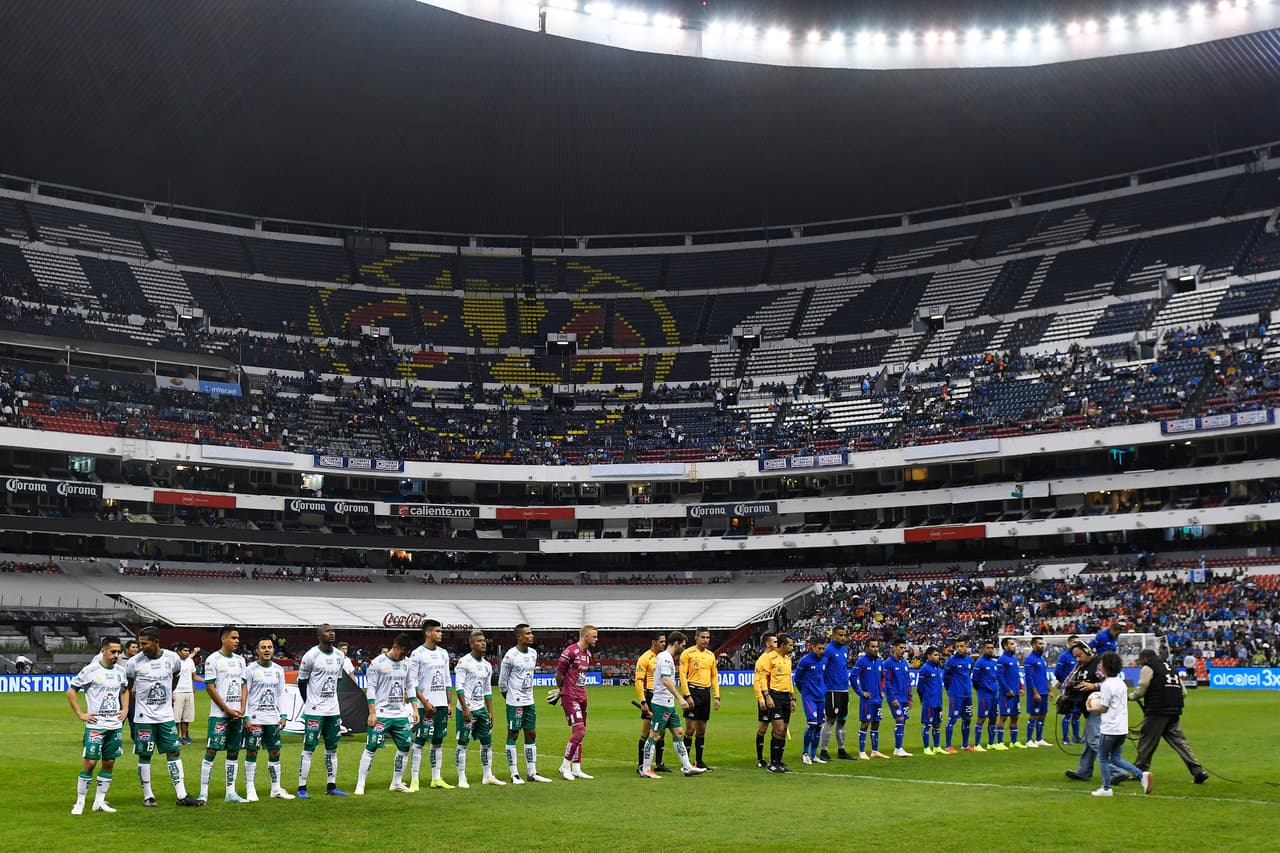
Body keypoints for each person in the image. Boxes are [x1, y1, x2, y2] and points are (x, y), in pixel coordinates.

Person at [124, 625, 201, 807]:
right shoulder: (134, 663)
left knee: (174, 751)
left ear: (156, 642)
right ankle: (148, 795)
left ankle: (182, 795)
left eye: (145, 643)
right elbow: (128, 687)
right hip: (144, 718)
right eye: (140, 643)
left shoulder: (172, 659)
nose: (141, 647)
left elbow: (173, 680)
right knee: (145, 755)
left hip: (166, 717)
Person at [66, 635, 128, 814]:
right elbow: (71, 692)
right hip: (96, 725)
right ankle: (80, 802)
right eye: (113, 651)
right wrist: (80, 714)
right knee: (91, 763)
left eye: (118, 652)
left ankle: (99, 802)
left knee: (109, 762)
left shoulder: (120, 671)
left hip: (114, 725)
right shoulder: (90, 670)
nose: (116, 655)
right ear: (103, 651)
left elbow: (125, 690)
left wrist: (125, 710)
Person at [1129, 649, 1208, 784]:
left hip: (1157, 710)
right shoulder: (1171, 668)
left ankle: (1139, 771)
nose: (1140, 664)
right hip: (1175, 710)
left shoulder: (1148, 667)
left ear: (1145, 659)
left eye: (1140, 661)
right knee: (1179, 742)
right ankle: (1197, 770)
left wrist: (1131, 696)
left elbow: (1142, 687)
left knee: (1147, 741)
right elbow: (1184, 692)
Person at [296, 623, 354, 798]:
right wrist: (309, 702)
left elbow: (337, 680)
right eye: (327, 631)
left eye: (333, 631)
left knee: (332, 748)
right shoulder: (310, 656)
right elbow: (301, 682)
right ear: (319, 636)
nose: (332, 634)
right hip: (314, 710)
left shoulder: (339, 656)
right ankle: (301, 788)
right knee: (309, 748)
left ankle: (331, 786)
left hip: (333, 710)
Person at [638, 631, 707, 778]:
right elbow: (666, 680)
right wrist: (680, 698)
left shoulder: (666, 657)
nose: (683, 648)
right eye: (682, 645)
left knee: (679, 733)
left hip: (668, 704)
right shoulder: (665, 658)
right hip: (662, 704)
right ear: (676, 643)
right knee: (654, 736)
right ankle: (645, 769)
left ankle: (687, 766)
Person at [355, 633, 417, 795]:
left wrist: (415, 709)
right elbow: (371, 689)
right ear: (395, 647)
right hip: (381, 714)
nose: (403, 656)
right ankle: (360, 784)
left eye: (406, 653)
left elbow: (410, 686)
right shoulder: (377, 663)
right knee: (371, 747)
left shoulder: (407, 663)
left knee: (405, 747)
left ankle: (396, 782)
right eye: (402, 652)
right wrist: (372, 713)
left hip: (400, 714)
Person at [1063, 643, 1126, 786]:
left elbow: (1111, 682)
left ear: (1088, 652)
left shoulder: (1098, 665)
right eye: (1075, 657)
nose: (1077, 659)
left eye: (1079, 655)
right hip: (1088, 707)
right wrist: (1064, 694)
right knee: (1089, 740)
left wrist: (1094, 686)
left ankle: (1117, 771)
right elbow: (1068, 681)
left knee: (1093, 739)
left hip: (1100, 706)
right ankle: (1084, 771)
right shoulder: (1079, 667)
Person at [198, 626, 248, 804]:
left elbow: (243, 685)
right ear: (224, 639)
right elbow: (210, 688)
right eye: (234, 637)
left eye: (238, 638)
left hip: (237, 714)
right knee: (212, 751)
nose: (237, 641)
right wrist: (227, 709)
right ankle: (203, 792)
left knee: (234, 751)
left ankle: (231, 792)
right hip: (220, 715)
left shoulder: (241, 660)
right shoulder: (213, 660)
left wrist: (242, 708)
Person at [1093, 651, 1152, 797]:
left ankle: (1106, 788)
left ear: (1105, 666)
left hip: (1110, 728)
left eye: (1101, 664)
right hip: (1122, 728)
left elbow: (1104, 707)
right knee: (1116, 758)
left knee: (1102, 757)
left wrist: (1091, 708)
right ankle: (1141, 775)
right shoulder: (1121, 683)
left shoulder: (1106, 685)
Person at [499, 623, 551, 784]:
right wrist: (511, 699)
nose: (531, 636)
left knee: (531, 734)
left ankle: (532, 772)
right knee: (513, 734)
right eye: (528, 634)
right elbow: (502, 682)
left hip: (530, 700)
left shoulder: (534, 653)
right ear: (519, 637)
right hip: (515, 702)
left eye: (531, 633)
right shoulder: (510, 656)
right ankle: (514, 773)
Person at [243, 636, 294, 800]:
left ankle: (276, 788)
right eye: (263, 647)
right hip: (256, 718)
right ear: (257, 651)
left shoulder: (279, 670)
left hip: (272, 718)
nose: (267, 650)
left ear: (273, 650)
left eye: (269, 647)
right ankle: (250, 788)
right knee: (252, 751)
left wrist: (283, 714)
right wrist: (246, 717)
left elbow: (281, 693)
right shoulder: (250, 669)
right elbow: (245, 694)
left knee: (275, 751)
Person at [454, 629, 504, 788]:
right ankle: (462, 777)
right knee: (462, 744)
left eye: (484, 641)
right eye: (479, 641)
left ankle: (488, 775)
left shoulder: (487, 665)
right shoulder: (464, 662)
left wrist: (490, 711)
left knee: (487, 743)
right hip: (466, 709)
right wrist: (465, 708)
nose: (483, 643)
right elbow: (459, 687)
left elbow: (488, 690)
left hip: (481, 709)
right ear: (471, 644)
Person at [408, 619, 453, 790]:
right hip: (424, 706)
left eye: (441, 631)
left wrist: (449, 702)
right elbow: (412, 682)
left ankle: (436, 778)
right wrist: (424, 701)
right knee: (419, 741)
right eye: (438, 631)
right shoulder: (417, 654)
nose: (441, 634)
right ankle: (414, 780)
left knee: (438, 741)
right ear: (428, 633)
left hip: (441, 704)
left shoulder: (443, 653)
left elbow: (447, 679)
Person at [552, 624, 598, 781]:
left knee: (580, 733)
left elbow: (579, 677)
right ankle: (564, 766)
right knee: (579, 731)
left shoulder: (587, 654)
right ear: (586, 636)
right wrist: (561, 691)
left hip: (582, 695)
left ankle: (576, 767)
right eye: (594, 636)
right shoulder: (570, 652)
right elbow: (559, 674)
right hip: (570, 696)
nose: (596, 639)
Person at [679, 627, 720, 770]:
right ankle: (686, 763)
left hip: (705, 693)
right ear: (696, 638)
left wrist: (717, 696)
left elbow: (714, 676)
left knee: (701, 729)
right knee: (690, 729)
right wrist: (687, 695)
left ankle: (699, 761)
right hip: (693, 691)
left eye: (707, 637)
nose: (705, 640)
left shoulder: (711, 655)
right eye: (703, 637)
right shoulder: (687, 653)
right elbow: (683, 675)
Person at [755, 634, 796, 773]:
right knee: (778, 728)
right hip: (774, 695)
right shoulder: (769, 658)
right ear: (783, 645)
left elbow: (789, 680)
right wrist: (766, 696)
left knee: (783, 730)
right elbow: (761, 678)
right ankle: (772, 764)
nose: (792, 647)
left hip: (785, 697)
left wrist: (792, 698)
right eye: (790, 645)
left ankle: (778, 762)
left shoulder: (788, 660)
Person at [633, 632, 669, 773]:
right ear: (654, 642)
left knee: (662, 731)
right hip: (650, 696)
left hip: (662, 697)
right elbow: (639, 681)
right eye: (661, 641)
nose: (664, 644)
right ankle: (641, 765)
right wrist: (643, 701)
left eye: (665, 641)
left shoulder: (664, 657)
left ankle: (659, 764)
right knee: (647, 731)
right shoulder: (645, 658)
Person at [818, 626, 851, 761]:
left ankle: (841, 750)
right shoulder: (828, 650)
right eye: (840, 635)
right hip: (832, 690)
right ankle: (824, 751)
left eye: (844, 635)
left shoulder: (844, 650)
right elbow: (821, 668)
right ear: (833, 636)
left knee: (842, 720)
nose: (843, 638)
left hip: (844, 689)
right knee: (830, 719)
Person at [793, 635, 826, 765]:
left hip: (821, 697)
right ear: (812, 647)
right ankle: (805, 753)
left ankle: (814, 755)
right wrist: (805, 693)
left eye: (823, 648)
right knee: (812, 724)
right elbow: (797, 680)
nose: (821, 651)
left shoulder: (824, 660)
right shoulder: (805, 661)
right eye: (819, 648)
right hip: (809, 697)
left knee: (819, 726)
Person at [852, 639, 886, 760]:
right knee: (865, 723)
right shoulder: (861, 662)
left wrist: (883, 690)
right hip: (867, 699)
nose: (875, 649)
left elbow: (883, 678)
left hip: (878, 699)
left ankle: (875, 751)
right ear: (867, 648)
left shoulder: (879, 662)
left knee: (876, 723)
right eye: (873, 646)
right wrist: (860, 692)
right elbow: (852, 677)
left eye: (877, 646)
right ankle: (861, 751)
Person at [752, 633, 779, 768]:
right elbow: (757, 681)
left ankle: (775, 758)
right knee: (763, 727)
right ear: (768, 644)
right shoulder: (762, 660)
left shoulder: (776, 658)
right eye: (775, 642)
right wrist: (761, 699)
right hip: (765, 695)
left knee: (777, 728)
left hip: (776, 696)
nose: (777, 644)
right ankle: (760, 758)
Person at [943, 639, 973, 753]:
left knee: (967, 719)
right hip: (956, 694)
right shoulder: (951, 662)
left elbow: (968, 674)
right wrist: (949, 689)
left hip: (967, 694)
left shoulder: (969, 660)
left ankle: (965, 745)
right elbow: (946, 678)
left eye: (962, 646)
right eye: (957, 646)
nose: (959, 648)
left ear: (966, 646)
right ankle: (948, 746)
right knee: (952, 719)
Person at [883, 641, 912, 757]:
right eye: (900, 647)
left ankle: (899, 747)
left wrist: (910, 697)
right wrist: (892, 697)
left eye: (904, 648)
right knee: (899, 719)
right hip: (895, 697)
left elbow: (907, 681)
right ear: (894, 647)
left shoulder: (904, 663)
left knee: (903, 721)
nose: (903, 650)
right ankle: (898, 748)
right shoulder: (888, 663)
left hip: (904, 697)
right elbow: (886, 681)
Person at [996, 637, 1025, 749]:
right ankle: (999, 742)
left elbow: (1017, 676)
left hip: (1016, 693)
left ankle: (1014, 741)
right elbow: (999, 676)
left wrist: (1021, 687)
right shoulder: (1002, 659)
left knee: (1015, 717)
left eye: (1014, 644)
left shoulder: (1014, 659)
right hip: (1006, 694)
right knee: (1003, 717)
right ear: (1005, 646)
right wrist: (1007, 689)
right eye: (1012, 644)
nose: (1014, 646)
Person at [1023, 636, 1051, 747]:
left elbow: (1045, 675)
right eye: (1039, 643)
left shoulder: (1042, 659)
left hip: (1044, 692)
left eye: (1042, 643)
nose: (1042, 645)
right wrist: (1035, 692)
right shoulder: (1029, 660)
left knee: (1043, 714)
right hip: (1035, 693)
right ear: (1033, 645)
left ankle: (1039, 739)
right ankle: (1029, 740)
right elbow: (1029, 677)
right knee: (1034, 715)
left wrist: (1049, 690)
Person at [916, 646, 944, 755]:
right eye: (935, 655)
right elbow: (920, 687)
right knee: (927, 724)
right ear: (929, 656)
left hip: (938, 701)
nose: (937, 657)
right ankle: (926, 747)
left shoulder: (938, 668)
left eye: (938, 655)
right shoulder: (925, 669)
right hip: (929, 701)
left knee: (937, 724)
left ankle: (936, 747)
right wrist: (923, 698)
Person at [1055, 635, 1083, 744]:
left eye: (1078, 642)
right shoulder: (1064, 656)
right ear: (1069, 644)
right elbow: (1057, 672)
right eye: (1074, 642)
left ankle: (1076, 737)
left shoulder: (1079, 656)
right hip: (1068, 689)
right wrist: (1065, 683)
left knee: (1077, 713)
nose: (1076, 644)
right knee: (1068, 713)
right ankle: (1065, 738)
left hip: (1079, 688)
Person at [972, 640, 999, 751]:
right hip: (985, 694)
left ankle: (991, 743)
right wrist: (980, 689)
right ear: (983, 649)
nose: (990, 650)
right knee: (982, 718)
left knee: (993, 718)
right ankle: (977, 744)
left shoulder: (993, 663)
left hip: (994, 693)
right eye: (988, 648)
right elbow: (974, 679)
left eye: (992, 648)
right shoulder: (979, 662)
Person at [172, 643, 199, 745]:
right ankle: (175, 737)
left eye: (188, 651)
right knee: (176, 718)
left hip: (188, 692)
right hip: (177, 692)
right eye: (184, 650)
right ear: (178, 652)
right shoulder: (174, 662)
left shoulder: (190, 661)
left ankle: (184, 736)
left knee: (186, 717)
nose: (187, 653)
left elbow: (194, 676)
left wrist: (207, 681)